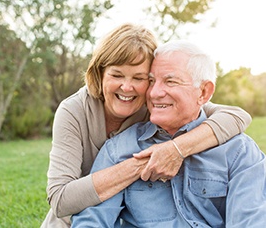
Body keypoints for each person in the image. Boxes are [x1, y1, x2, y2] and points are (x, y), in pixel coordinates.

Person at [41, 24, 252, 227]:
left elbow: (236, 115)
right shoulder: (74, 111)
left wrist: (175, 149)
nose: (127, 87)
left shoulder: (156, 105)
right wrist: (147, 161)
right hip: (74, 214)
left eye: (140, 78)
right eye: (116, 75)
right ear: (100, 73)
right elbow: (61, 199)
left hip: (126, 208)